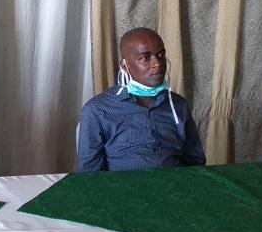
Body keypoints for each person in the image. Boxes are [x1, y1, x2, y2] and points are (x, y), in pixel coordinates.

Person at [77, 28, 205, 172]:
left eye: (161, 55)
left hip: (175, 183)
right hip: (123, 185)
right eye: (145, 57)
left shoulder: (178, 105)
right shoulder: (97, 110)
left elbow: (195, 160)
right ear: (124, 65)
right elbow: (90, 172)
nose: (157, 63)